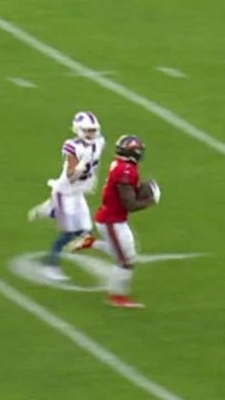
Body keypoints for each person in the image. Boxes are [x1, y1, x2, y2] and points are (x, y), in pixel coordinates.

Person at [27, 112, 106, 281]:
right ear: (78, 130)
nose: (91, 133)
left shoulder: (100, 142)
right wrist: (81, 167)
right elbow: (70, 176)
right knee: (69, 233)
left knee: (85, 231)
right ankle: (49, 265)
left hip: (78, 192)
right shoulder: (72, 146)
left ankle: (50, 210)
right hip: (64, 193)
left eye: (93, 130)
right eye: (87, 130)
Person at [93, 135, 159, 308]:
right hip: (112, 220)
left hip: (113, 218)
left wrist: (143, 189)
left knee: (125, 255)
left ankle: (90, 243)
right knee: (125, 261)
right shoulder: (126, 170)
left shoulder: (123, 166)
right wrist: (151, 200)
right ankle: (117, 297)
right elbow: (130, 204)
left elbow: (128, 192)